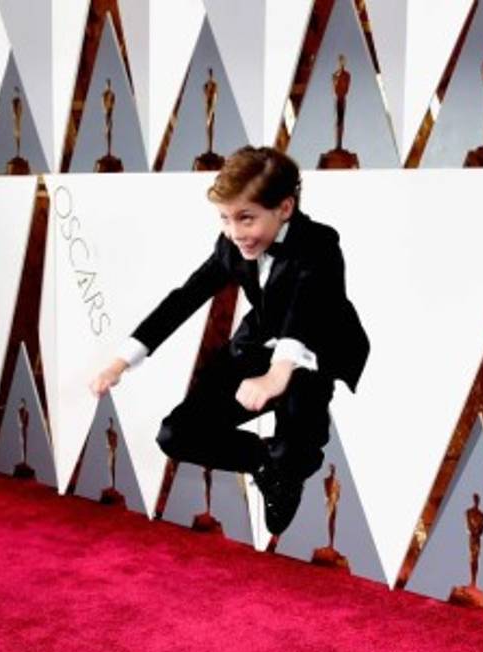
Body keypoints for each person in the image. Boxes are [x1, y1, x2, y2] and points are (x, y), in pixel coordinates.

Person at [89, 146, 369, 535]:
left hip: (313, 353)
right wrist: (122, 361)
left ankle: (287, 467)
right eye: (225, 219)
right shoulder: (231, 246)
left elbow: (303, 310)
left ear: (284, 208)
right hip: (259, 343)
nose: (236, 233)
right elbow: (184, 299)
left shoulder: (320, 243)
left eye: (246, 219)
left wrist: (276, 374)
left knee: (298, 444)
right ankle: (267, 463)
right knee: (177, 434)